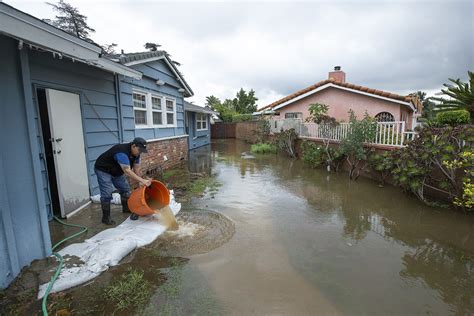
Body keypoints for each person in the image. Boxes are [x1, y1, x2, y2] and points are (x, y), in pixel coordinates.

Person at [94, 137, 152, 225]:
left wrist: (140, 180)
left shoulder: (136, 154)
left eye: (142, 151)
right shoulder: (121, 152)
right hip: (103, 170)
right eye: (139, 150)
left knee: (125, 189)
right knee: (107, 192)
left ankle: (126, 209)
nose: (140, 152)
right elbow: (127, 171)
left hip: (117, 171)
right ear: (133, 146)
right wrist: (142, 180)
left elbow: (136, 168)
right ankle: (106, 218)